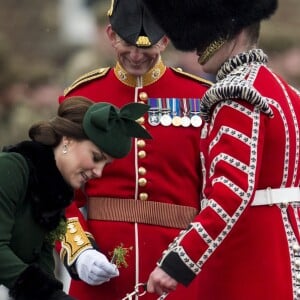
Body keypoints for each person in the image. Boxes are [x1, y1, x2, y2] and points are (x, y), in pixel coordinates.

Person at [141, 0, 300, 299]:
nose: (195, 47)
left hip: (248, 255)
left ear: (233, 28)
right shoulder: (286, 92)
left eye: (205, 32)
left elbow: (231, 191)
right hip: (286, 248)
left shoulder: (235, 94)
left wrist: (179, 261)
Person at [56, 0, 212, 299]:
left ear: (165, 40)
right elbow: (58, 192)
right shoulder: (82, 97)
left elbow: (216, 194)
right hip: (102, 272)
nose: (137, 55)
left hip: (178, 273)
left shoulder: (201, 98)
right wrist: (78, 250)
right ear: (111, 35)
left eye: (148, 45)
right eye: (128, 43)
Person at [0, 96, 151, 300]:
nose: (98, 172)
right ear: (68, 140)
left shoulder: (51, 192)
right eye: (96, 157)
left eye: (105, 165)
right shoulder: (11, 169)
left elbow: (41, 264)